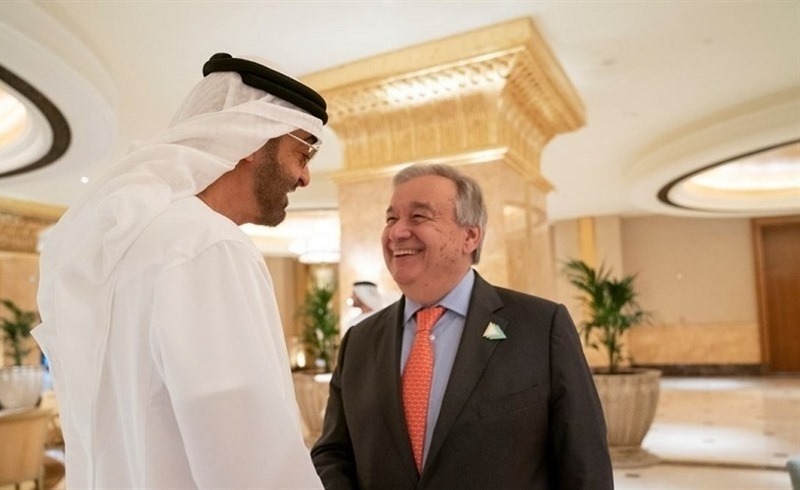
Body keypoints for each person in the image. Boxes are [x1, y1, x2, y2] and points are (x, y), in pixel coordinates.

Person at [33, 53, 327, 488]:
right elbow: (248, 461)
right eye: (303, 152)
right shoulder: (208, 245)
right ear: (251, 138)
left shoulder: (128, 243)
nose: (305, 178)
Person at [311, 164, 613, 489]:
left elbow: (585, 467)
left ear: (470, 236)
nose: (397, 232)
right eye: (391, 218)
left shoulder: (541, 327)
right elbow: (333, 453)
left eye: (418, 216)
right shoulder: (359, 341)